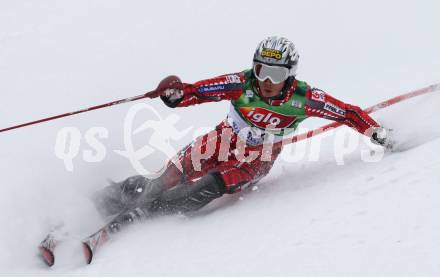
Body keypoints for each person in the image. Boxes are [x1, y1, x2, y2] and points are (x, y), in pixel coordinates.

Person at [93, 36, 388, 233]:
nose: (267, 82)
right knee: (164, 179)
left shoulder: (303, 99)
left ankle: (150, 211)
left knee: (200, 191)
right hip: (222, 141)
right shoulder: (242, 83)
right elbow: (196, 92)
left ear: (290, 74)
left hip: (254, 161)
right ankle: (101, 201)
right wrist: (174, 95)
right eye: (261, 71)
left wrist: (376, 133)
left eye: (276, 74)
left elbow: (347, 113)